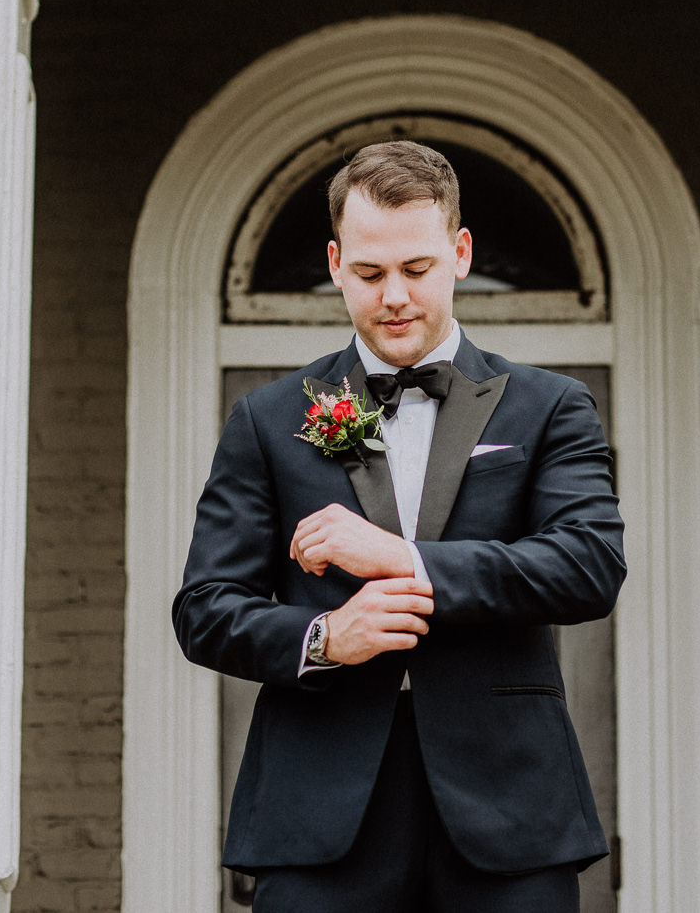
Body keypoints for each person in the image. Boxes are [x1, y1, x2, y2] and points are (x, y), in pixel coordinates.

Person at [173, 139, 626, 912]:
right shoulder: (268, 419)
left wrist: (406, 561)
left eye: (416, 271)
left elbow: (587, 565)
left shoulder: (549, 406)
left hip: (509, 809)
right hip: (318, 809)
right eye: (370, 273)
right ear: (334, 262)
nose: (394, 298)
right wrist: (324, 639)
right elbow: (206, 607)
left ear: (460, 252)